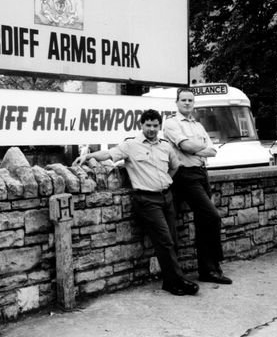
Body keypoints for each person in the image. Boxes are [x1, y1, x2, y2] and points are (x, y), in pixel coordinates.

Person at [73, 109, 199, 296]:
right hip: (147, 200)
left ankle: (170, 280)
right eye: (148, 125)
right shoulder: (131, 145)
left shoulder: (165, 145)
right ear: (141, 125)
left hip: (166, 196)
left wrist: (165, 182)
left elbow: (175, 166)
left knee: (172, 239)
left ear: (159, 126)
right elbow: (109, 153)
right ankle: (176, 282)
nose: (151, 129)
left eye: (155, 125)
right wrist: (89, 156)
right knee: (164, 240)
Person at [163, 88, 232, 285]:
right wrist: (199, 149)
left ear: (194, 103)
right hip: (184, 176)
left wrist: (197, 149)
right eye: (183, 100)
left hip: (202, 174)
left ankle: (208, 270)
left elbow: (213, 151)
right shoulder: (171, 123)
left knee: (205, 221)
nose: (187, 103)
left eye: (190, 100)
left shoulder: (198, 126)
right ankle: (211, 267)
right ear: (176, 102)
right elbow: (186, 147)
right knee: (212, 216)